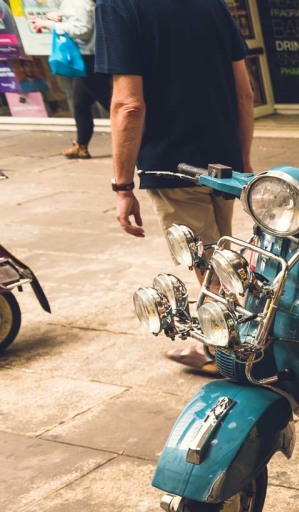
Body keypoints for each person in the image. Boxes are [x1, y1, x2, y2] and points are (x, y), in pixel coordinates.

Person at [96, 0, 255, 374]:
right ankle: (222, 342)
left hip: (173, 167)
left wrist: (122, 186)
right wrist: (243, 159)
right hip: (224, 161)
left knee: (206, 264)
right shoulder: (211, 5)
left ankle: (229, 356)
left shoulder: (118, 7)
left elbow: (128, 105)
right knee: (222, 258)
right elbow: (245, 94)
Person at [31, 0, 111, 159]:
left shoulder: (77, 2)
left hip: (89, 59)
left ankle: (146, 135)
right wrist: (58, 19)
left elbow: (82, 30)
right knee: (80, 104)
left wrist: (49, 24)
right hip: (86, 58)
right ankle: (81, 146)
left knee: (112, 104)